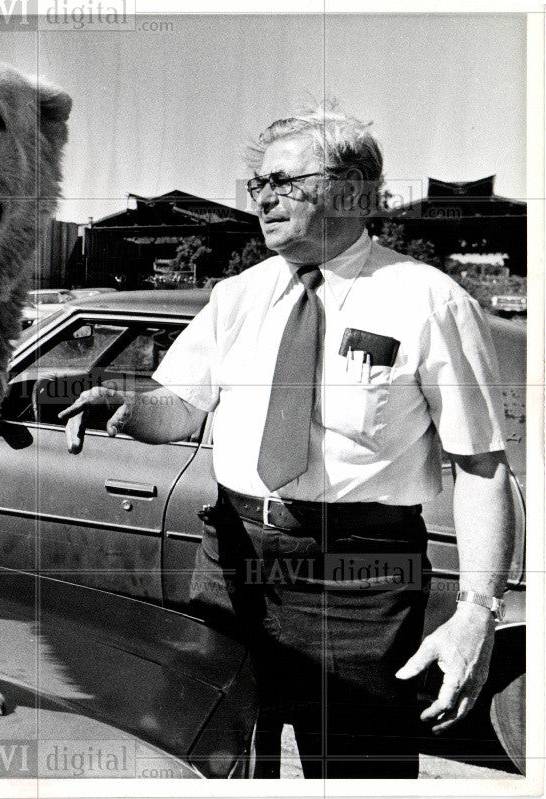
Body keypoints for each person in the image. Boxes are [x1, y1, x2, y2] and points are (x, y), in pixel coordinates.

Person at [59, 107, 515, 779]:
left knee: (358, 771)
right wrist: (128, 407)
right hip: (233, 558)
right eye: (256, 183)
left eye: (283, 180)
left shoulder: (428, 301)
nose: (263, 197)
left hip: (359, 580)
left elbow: (481, 467)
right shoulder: (240, 295)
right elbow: (181, 407)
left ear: (355, 191)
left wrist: (478, 610)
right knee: (215, 755)